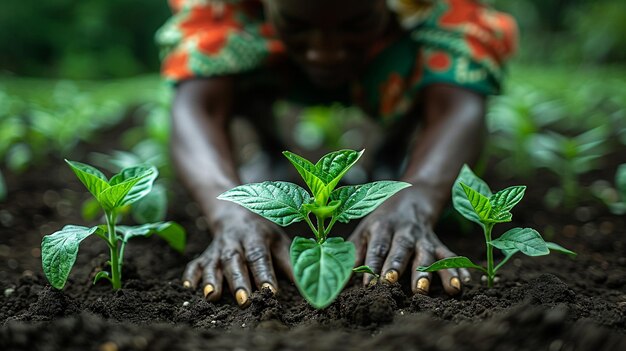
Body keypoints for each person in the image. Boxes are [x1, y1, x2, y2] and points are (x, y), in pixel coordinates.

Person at [156, 0, 517, 307]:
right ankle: (270, 151)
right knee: (223, 53)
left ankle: (394, 159)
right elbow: (196, 107)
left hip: (388, 53)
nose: (324, 53)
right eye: (296, 25)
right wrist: (228, 213)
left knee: (435, 59)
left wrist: (419, 197)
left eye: (355, 24)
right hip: (275, 62)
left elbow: (458, 105)